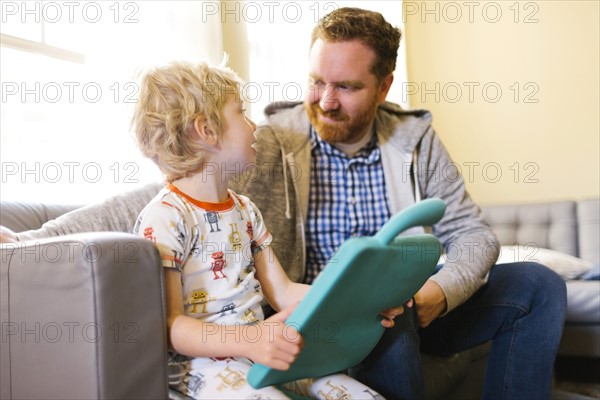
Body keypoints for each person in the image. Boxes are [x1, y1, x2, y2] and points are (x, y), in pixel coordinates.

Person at [2, 7, 566, 400]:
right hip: (326, 317)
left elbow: (474, 236)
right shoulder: (271, 141)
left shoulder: (415, 140)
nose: (324, 99)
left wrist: (432, 295)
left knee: (540, 285)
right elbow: (155, 201)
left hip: (412, 304)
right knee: (383, 324)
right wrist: (25, 240)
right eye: (316, 80)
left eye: (345, 87)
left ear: (385, 85)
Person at [127, 60, 384, 399]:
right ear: (206, 130)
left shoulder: (245, 210)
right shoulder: (166, 217)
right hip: (204, 368)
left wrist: (361, 301)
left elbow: (283, 291)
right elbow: (171, 327)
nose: (253, 127)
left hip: (262, 353)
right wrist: (250, 339)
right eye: (242, 113)